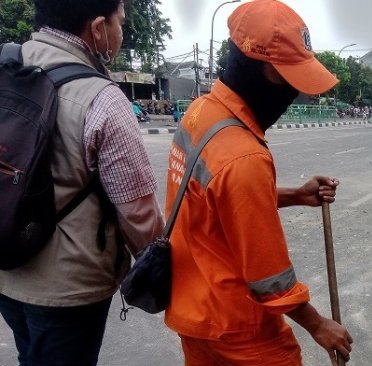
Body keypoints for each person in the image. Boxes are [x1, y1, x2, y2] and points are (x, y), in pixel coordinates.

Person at [163, 1, 353, 365]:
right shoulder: (244, 156)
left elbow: (217, 204)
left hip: (195, 312)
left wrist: (296, 195)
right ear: (258, 68)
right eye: (288, 80)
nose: (293, 94)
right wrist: (317, 325)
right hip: (240, 330)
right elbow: (270, 278)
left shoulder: (201, 112)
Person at [0, 1, 164, 365]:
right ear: (98, 29)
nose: (121, 32)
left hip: (7, 264)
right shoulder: (102, 99)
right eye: (120, 23)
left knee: (31, 353)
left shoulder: (5, 66)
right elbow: (139, 215)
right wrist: (158, 267)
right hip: (69, 290)